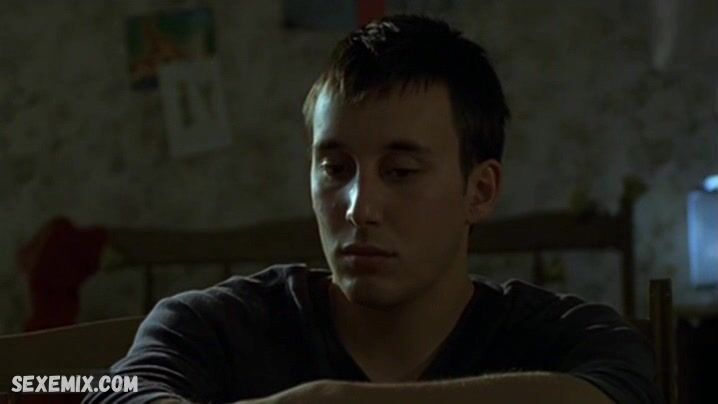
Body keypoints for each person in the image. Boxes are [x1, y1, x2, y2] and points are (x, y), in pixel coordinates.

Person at [84, 15, 660, 404]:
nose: (360, 209)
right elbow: (116, 394)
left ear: (480, 191)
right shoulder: (216, 326)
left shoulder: (565, 337)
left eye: (401, 172)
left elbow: (621, 392)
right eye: (336, 169)